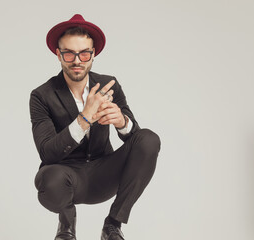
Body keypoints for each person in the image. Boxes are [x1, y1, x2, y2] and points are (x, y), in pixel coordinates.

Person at [29, 14, 161, 240]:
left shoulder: (109, 84)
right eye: (69, 53)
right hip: (65, 178)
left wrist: (122, 122)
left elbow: (138, 143)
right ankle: (66, 227)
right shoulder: (42, 95)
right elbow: (47, 152)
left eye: (84, 53)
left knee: (149, 139)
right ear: (58, 54)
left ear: (93, 55)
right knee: (49, 180)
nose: (77, 60)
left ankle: (112, 225)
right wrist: (84, 118)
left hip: (104, 173)